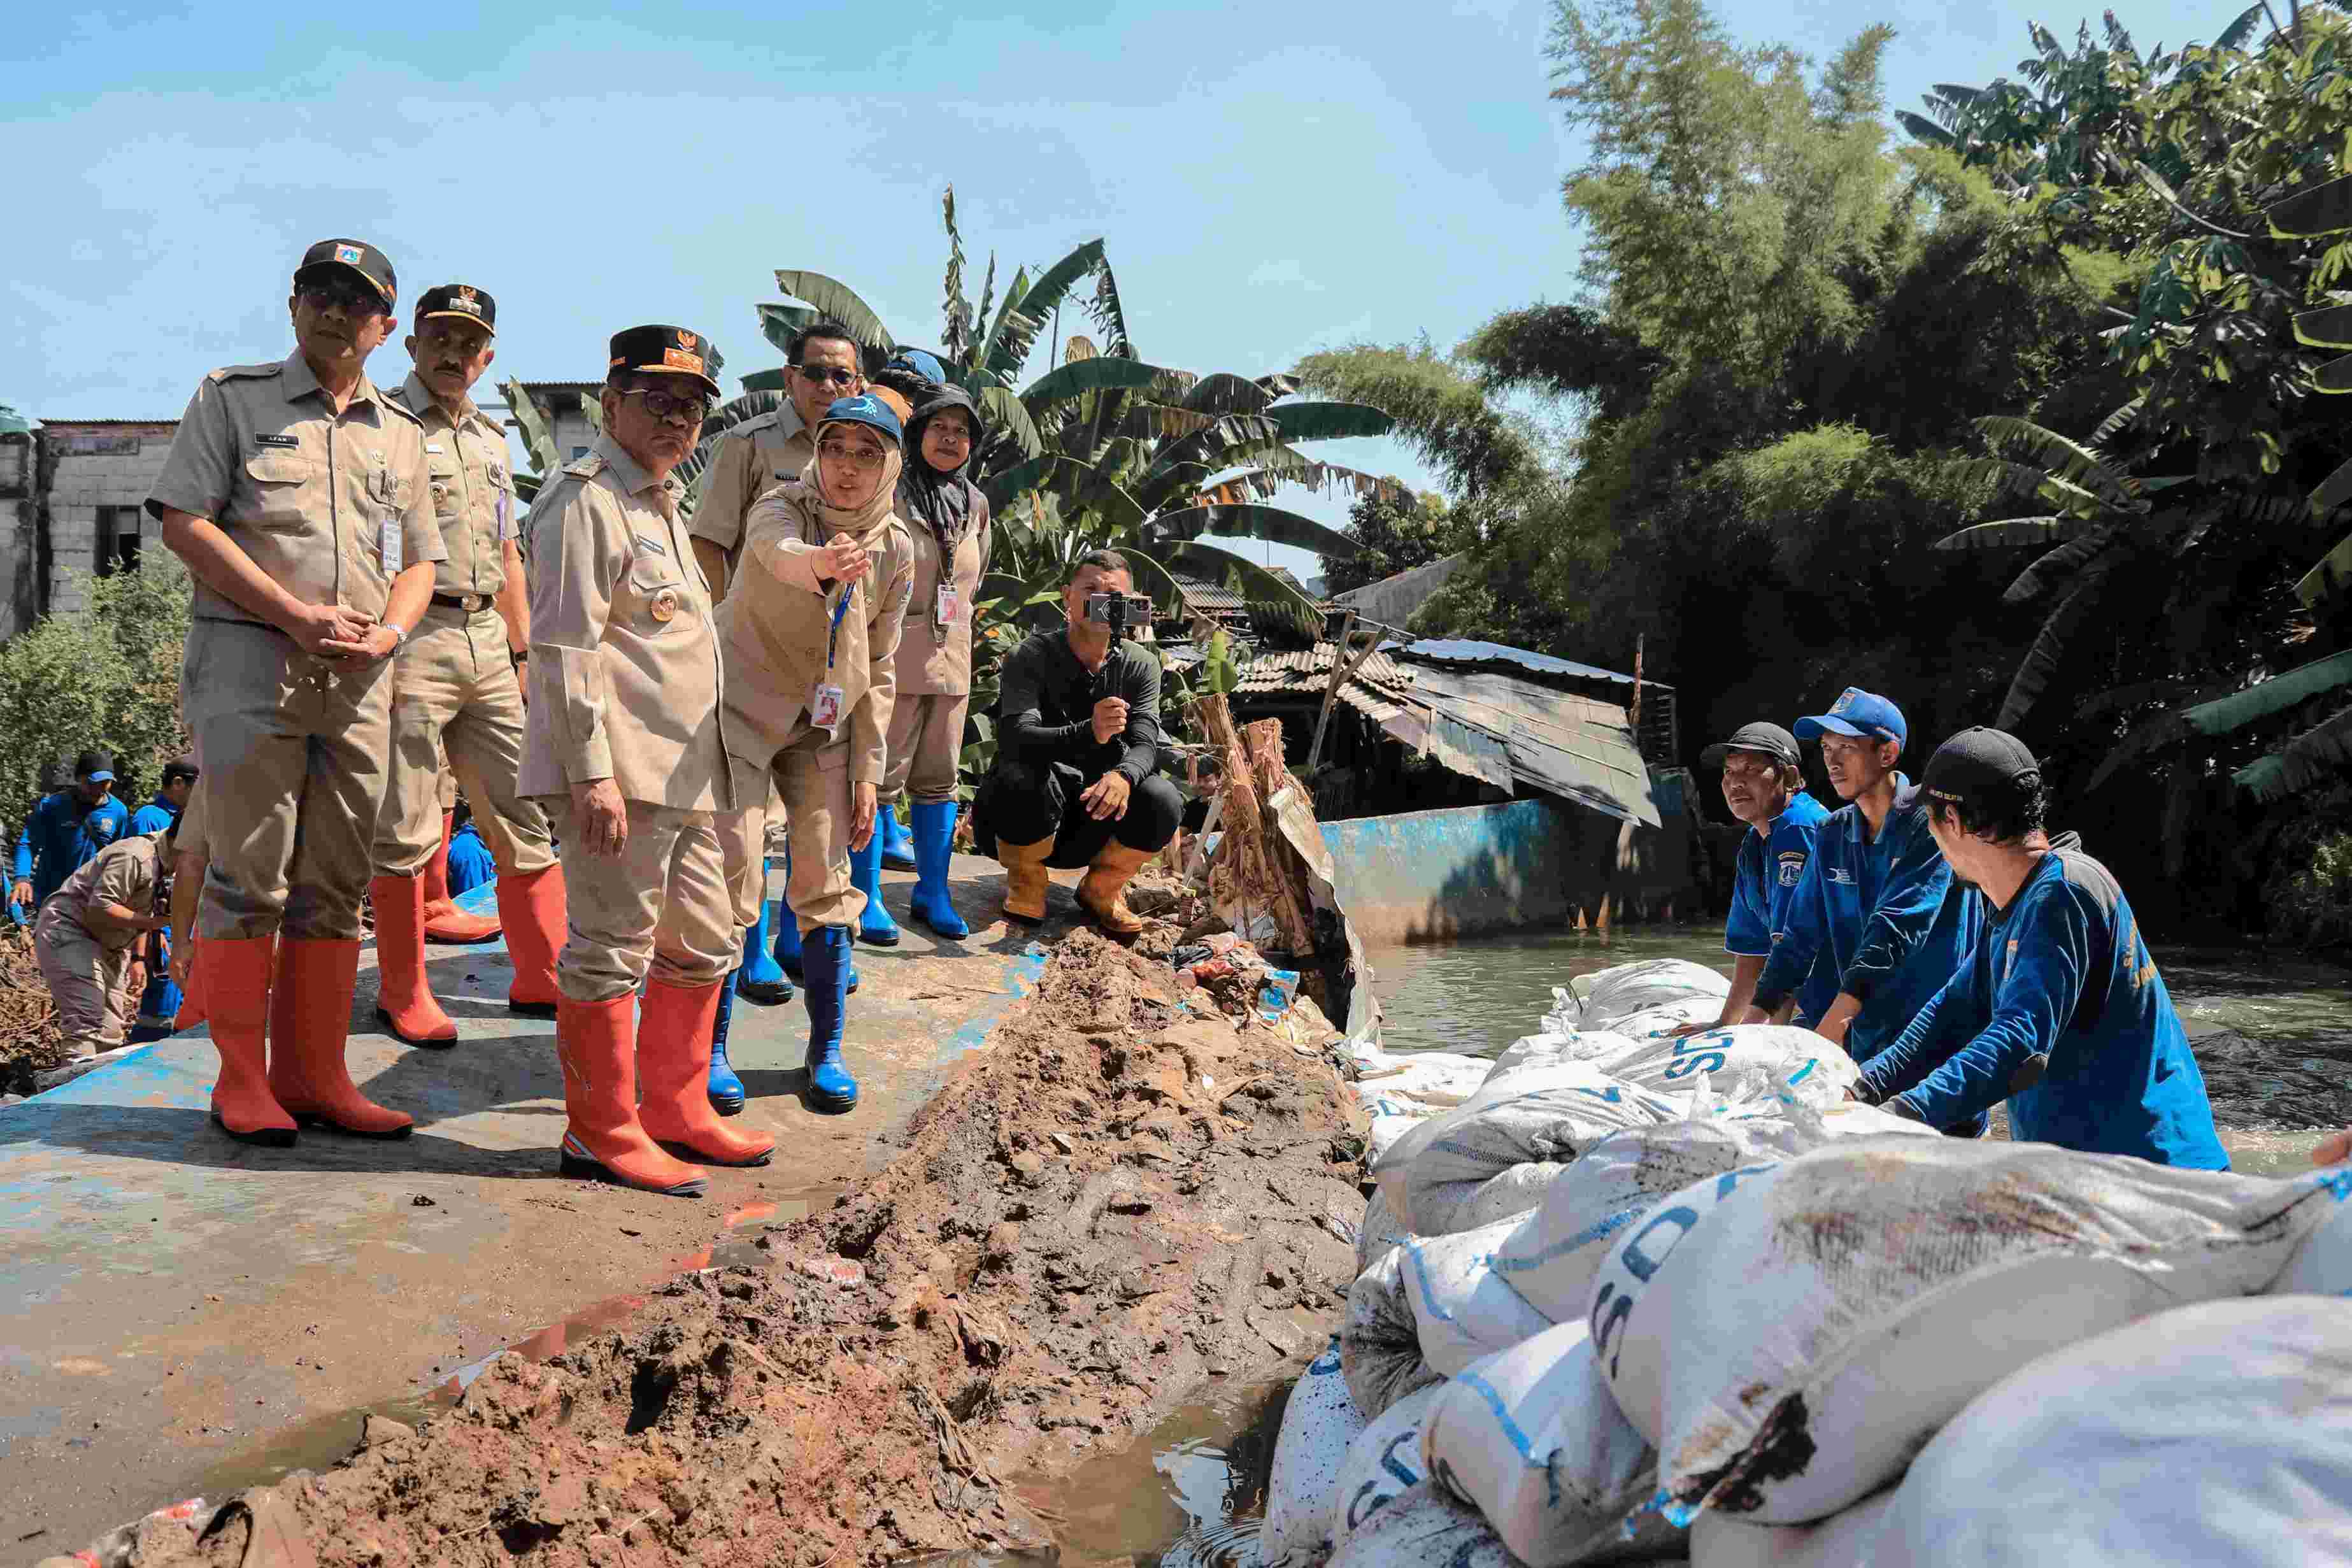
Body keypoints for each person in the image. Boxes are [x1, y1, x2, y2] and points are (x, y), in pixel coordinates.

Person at [149, 236, 444, 1146]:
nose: (333, 310)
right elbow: (185, 523)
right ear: (291, 303)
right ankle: (241, 1081)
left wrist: (389, 635)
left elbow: (421, 560)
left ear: (385, 326)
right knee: (248, 878)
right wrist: (294, 614)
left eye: (355, 301)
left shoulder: (401, 431)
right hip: (250, 666)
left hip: (359, 680)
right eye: (318, 290)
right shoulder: (231, 398)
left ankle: (316, 1076)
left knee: (335, 881)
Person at [520, 323, 755, 1197]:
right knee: (610, 950)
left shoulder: (658, 502)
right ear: (610, 404)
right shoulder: (586, 501)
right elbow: (567, 648)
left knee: (702, 940)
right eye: (657, 402)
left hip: (689, 774)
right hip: (620, 775)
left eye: (692, 407)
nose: (676, 421)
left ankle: (677, 1109)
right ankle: (602, 1129)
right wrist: (591, 774)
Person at [1852, 728, 2230, 1169]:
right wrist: (1861, 1087)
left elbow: (2019, 1044)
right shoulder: (2014, 902)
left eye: (1929, 820)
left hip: (2154, 1174)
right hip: (2089, 1173)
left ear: (1952, 821)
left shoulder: (2064, 893)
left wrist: (1901, 1116)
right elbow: (1952, 1013)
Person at [367, 282, 567, 1044]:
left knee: (522, 810)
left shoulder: (491, 439)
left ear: (487, 357)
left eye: (468, 343)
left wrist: (520, 650)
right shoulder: (381, 425)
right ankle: (403, 991)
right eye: (438, 338)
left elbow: (509, 549)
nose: (452, 354)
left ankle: (540, 972)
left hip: (487, 637)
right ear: (411, 344)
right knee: (408, 823)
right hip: (414, 636)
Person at [715, 392, 916, 1115]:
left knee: (828, 881)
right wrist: (822, 561)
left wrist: (869, 770)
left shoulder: (899, 548)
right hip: (740, 708)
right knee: (732, 872)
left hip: (823, 722)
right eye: (836, 448)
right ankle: (711, 1049)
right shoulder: (782, 506)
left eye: (869, 452)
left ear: (892, 463)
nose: (848, 468)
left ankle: (825, 1050)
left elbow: (883, 662)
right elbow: (774, 551)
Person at [687, 320, 860, 1008]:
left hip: (822, 676)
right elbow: (710, 547)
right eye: (814, 373)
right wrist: (720, 637)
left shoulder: (862, 450)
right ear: (789, 377)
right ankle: (750, 954)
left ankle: (802, 948)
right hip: (748, 666)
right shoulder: (749, 444)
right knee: (743, 829)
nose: (827, 386)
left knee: (819, 832)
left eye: (841, 375)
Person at [1741, 689, 1981, 1108]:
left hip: (1934, 1035)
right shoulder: (1832, 833)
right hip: (1867, 1035)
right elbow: (1797, 938)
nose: (1831, 761)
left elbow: (1896, 928)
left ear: (1887, 753)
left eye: (1847, 748)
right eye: (1826, 748)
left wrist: (1830, 1028)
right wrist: (1751, 1023)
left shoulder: (1932, 822)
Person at [971, 551, 1181, 937]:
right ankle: (1027, 882)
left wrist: (1123, 777)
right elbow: (1018, 736)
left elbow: (1147, 742)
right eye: (1090, 590)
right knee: (1019, 769)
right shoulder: (1030, 655)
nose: (1101, 601)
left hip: (1095, 815)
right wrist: (1090, 732)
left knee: (1162, 796)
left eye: (1113, 594)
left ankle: (1101, 891)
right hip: (1027, 814)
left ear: (1130, 603)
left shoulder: (1140, 663)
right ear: (1067, 596)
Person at [852, 380, 992, 947]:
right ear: (917, 435)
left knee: (937, 783)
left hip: (951, 657)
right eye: (939, 428)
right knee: (878, 781)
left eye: (961, 432)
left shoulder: (977, 504)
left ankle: (933, 891)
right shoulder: (891, 492)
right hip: (891, 656)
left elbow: (972, 583)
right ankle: (867, 898)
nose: (950, 440)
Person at [1675, 722, 1837, 1036]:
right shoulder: (1755, 840)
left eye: (1750, 770)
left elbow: (1792, 951)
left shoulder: (1799, 828)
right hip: (1807, 1001)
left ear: (1789, 778)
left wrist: (1770, 1038)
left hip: (1837, 1006)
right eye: (1729, 771)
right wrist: (1725, 1025)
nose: (1735, 782)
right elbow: (1753, 950)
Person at [33, 815, 175, 1061]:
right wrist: (154, 924)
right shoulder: (135, 856)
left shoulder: (169, 864)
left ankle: (97, 1092)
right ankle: (71, 1095)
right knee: (87, 1021)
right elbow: (101, 906)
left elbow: (144, 910)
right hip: (72, 931)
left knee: (110, 1029)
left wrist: (140, 956)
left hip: (110, 942)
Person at [129, 755, 199, 1037]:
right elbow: (147, 883)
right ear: (179, 784)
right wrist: (154, 933)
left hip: (181, 921)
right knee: (160, 999)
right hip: (160, 926)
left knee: (179, 998)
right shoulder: (150, 817)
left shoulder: (193, 816)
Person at [11, 750, 131, 914]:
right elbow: (28, 843)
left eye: (105, 783)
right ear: (78, 778)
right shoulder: (52, 806)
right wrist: (22, 877)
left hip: (90, 903)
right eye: (91, 783)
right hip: (51, 898)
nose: (97, 789)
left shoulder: (119, 812)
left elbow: (119, 855)